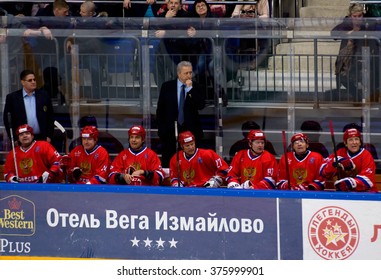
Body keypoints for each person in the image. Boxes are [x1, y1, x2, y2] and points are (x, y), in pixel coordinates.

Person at [156, 61, 206, 167]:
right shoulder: (167, 87)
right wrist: (162, 130)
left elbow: (200, 105)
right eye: (186, 73)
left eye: (190, 73)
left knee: (191, 163)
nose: (189, 76)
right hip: (170, 132)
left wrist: (190, 90)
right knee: (169, 161)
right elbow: (160, 110)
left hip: (190, 131)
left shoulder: (196, 87)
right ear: (179, 74)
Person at [332, 3, 379, 103]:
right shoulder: (347, 25)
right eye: (355, 16)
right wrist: (350, 33)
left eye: (360, 16)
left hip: (368, 56)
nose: (357, 19)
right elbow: (334, 33)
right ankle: (357, 97)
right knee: (343, 77)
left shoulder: (368, 23)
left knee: (373, 75)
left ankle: (370, 99)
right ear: (350, 17)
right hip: (351, 59)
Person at [3, 69, 55, 143]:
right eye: (30, 80)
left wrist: (49, 136)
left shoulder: (43, 96)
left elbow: (50, 117)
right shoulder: (13, 98)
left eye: (34, 80)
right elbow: (7, 120)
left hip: (41, 138)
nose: (33, 82)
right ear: (23, 82)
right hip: (22, 140)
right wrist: (15, 139)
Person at [320, 128, 377, 192]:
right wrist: (333, 164)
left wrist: (350, 183)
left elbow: (368, 179)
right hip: (344, 194)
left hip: (366, 194)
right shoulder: (340, 153)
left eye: (356, 139)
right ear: (345, 143)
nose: (354, 142)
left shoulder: (366, 155)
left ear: (360, 142)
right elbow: (322, 171)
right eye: (350, 140)